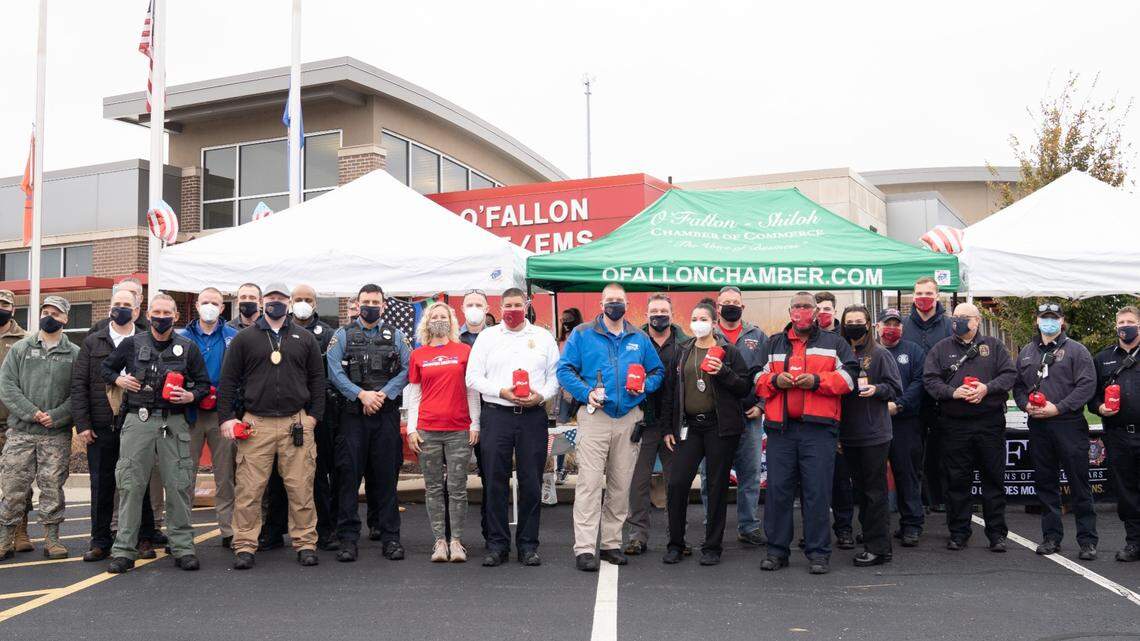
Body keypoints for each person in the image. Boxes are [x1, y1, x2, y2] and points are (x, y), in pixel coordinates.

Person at [557, 283, 665, 572]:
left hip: (629, 417)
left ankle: (611, 544)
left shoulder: (639, 338)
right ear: (601, 303)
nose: (614, 305)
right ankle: (584, 548)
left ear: (627, 305)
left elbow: (658, 371)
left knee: (620, 485)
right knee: (589, 485)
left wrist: (644, 387)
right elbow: (564, 369)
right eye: (609, 300)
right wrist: (585, 392)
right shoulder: (582, 334)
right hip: (595, 417)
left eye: (619, 300)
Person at [218, 283, 326, 569]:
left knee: (301, 487)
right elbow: (228, 381)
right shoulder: (244, 339)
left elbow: (317, 380)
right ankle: (244, 545)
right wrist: (228, 417)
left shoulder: (304, 338)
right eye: (271, 298)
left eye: (280, 298)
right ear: (264, 302)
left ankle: (305, 542)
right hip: (256, 423)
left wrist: (313, 417)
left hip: (296, 423)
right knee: (249, 490)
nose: (275, 302)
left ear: (288, 303)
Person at [101, 294, 210, 573]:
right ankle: (125, 549)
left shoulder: (188, 347)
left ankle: (183, 547)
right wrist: (119, 379)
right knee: (131, 485)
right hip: (139, 421)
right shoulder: (132, 344)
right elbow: (106, 367)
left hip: (174, 422)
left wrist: (189, 396)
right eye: (157, 312)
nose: (162, 317)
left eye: (167, 312)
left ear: (176, 317)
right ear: (148, 315)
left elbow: (203, 385)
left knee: (178, 485)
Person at [755, 292, 858, 575]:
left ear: (815, 312)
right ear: (790, 312)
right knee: (778, 493)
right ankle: (776, 551)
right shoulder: (773, 343)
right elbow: (756, 379)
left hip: (819, 431)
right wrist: (775, 380)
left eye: (807, 307)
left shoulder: (834, 343)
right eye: (796, 307)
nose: (801, 311)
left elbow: (850, 378)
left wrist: (817, 381)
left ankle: (818, 553)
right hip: (781, 430)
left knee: (817, 492)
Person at [466, 288, 560, 567]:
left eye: (518, 305)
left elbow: (555, 377)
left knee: (531, 482)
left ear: (527, 305)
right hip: (497, 415)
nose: (513, 310)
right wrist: (500, 391)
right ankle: (497, 545)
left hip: (532, 417)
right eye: (508, 305)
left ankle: (528, 545)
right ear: (500, 306)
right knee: (495, 481)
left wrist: (540, 395)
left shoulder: (542, 337)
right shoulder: (487, 337)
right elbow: (472, 377)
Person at [660, 301, 752, 565]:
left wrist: (723, 372)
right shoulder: (683, 350)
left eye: (703, 319)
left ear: (714, 323)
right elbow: (670, 392)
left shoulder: (728, 351)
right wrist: (668, 427)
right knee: (677, 483)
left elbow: (744, 387)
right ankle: (676, 543)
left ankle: (712, 546)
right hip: (689, 427)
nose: (698, 323)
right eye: (694, 318)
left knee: (716, 486)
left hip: (719, 427)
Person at [72, 287, 159, 562]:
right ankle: (100, 540)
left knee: (139, 481)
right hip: (101, 424)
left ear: (136, 310)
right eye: (116, 303)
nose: (120, 308)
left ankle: (143, 538)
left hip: (137, 420)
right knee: (102, 484)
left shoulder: (147, 339)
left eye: (126, 304)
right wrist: (83, 424)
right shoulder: (93, 340)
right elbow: (79, 383)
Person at [325, 284, 410, 562]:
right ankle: (348, 539)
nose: (370, 305)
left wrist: (383, 394)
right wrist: (360, 394)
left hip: (385, 415)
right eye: (365, 301)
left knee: (386, 478)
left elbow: (408, 369)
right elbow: (334, 371)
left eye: (375, 301)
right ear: (357, 304)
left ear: (383, 305)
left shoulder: (397, 336)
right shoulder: (342, 335)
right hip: (352, 417)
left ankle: (390, 538)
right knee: (348, 478)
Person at [924, 302, 1016, 552]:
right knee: (956, 481)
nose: (958, 321)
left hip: (989, 423)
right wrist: (953, 393)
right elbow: (930, 380)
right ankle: (958, 532)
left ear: (976, 321)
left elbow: (1009, 375)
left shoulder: (994, 346)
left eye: (964, 317)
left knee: (993, 480)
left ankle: (997, 534)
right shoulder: (941, 348)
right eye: (955, 317)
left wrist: (987, 389)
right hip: (955, 425)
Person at [1014, 302, 1098, 560]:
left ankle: (1087, 541)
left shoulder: (1076, 351)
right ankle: (1051, 537)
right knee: (1046, 484)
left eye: (1053, 317)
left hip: (1068, 425)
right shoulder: (1027, 352)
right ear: (1036, 320)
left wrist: (1059, 408)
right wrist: (1025, 404)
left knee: (1079, 485)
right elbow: (1018, 386)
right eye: (1043, 317)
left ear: (1062, 321)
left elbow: (1087, 386)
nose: (1048, 322)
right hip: (1039, 426)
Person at [0, 297, 79, 560]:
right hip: (21, 432)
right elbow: (7, 386)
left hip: (55, 435)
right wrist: (31, 413)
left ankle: (52, 539)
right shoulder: (21, 348)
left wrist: (56, 416)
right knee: (12, 488)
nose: (49, 316)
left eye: (55, 313)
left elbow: (78, 394)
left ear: (66, 318)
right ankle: (5, 538)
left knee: (52, 488)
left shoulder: (74, 354)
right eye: (45, 312)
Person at [406, 302, 480, 563]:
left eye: (443, 316)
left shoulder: (464, 351)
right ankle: (439, 541)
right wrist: (412, 428)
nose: (439, 319)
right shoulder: (419, 354)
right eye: (434, 316)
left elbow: (472, 390)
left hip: (459, 429)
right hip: (428, 430)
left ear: (451, 321)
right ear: (427, 322)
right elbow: (414, 394)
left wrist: (475, 423)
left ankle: (457, 541)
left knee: (458, 488)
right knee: (434, 488)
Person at [838, 305, 902, 567]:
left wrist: (876, 389)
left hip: (874, 433)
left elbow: (895, 388)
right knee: (862, 492)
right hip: (848, 434)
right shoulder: (841, 353)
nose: (854, 325)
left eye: (858, 321)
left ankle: (879, 548)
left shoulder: (879, 354)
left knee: (875, 492)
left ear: (868, 324)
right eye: (849, 321)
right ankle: (872, 536)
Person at [177, 287, 240, 548]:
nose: (210, 306)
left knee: (225, 475)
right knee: (183, 475)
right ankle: (181, 532)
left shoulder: (233, 338)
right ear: (197, 305)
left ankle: (229, 529)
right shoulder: (182, 337)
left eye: (215, 302)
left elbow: (240, 374)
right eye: (205, 302)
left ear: (222, 307)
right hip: (189, 413)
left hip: (221, 414)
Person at [624, 294, 686, 555]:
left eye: (663, 310)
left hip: (674, 425)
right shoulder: (633, 341)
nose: (658, 314)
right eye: (653, 310)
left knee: (676, 483)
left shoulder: (686, 344)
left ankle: (677, 538)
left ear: (672, 314)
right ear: (646, 313)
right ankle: (637, 536)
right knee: (637, 483)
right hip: (642, 422)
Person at [713, 286, 768, 547]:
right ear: (717, 306)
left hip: (750, 415)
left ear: (743, 307)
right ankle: (711, 525)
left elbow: (768, 373)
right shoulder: (706, 334)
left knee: (750, 474)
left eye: (736, 302)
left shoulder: (757, 335)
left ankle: (748, 526)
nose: (731, 306)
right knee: (713, 476)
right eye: (727, 302)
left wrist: (762, 404)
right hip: (715, 419)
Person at [289, 284, 339, 551]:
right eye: (298, 299)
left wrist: (318, 410)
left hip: (319, 414)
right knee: (280, 478)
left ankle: (326, 529)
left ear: (316, 303)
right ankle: (275, 530)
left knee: (320, 473)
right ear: (290, 302)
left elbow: (331, 374)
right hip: (287, 413)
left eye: (308, 299)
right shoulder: (281, 331)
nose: (303, 303)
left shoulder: (328, 333)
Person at [1089, 305, 1140, 562]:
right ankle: (1134, 543)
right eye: (1121, 322)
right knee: (1126, 491)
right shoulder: (1103, 358)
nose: (1124, 326)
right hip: (1118, 435)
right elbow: (1092, 395)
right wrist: (1099, 407)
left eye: (1130, 321)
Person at [876, 308, 928, 546]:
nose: (892, 328)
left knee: (906, 474)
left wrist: (899, 405)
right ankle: (876, 528)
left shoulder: (913, 351)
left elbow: (920, 382)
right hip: (873, 422)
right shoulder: (869, 352)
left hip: (904, 421)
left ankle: (911, 525)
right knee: (874, 478)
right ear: (877, 326)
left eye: (897, 324)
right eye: (887, 323)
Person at [904, 276, 953, 513]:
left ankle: (939, 499)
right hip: (912, 401)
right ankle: (916, 502)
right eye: (919, 294)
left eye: (928, 293)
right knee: (912, 453)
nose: (924, 298)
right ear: (913, 296)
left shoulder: (949, 325)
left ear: (937, 295)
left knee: (941, 452)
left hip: (942, 400)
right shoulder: (903, 325)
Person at [815, 291, 854, 548]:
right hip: (815, 420)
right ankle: (814, 531)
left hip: (842, 419)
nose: (822, 313)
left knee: (841, 481)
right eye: (817, 308)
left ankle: (844, 529)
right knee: (814, 484)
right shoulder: (802, 339)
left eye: (827, 308)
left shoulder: (844, 340)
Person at [0, 289, 31, 554]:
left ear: (13, 308)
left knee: (17, 482)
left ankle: (21, 530)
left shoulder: (24, 341)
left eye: (4, 304)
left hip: (12, 423)